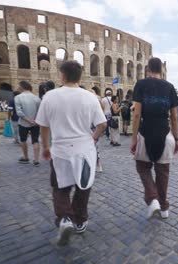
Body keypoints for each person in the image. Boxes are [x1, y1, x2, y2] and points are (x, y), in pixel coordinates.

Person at [36, 60, 107, 246]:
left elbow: (43, 126)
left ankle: (65, 218)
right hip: (84, 148)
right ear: (80, 76)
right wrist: (93, 138)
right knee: (83, 186)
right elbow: (102, 124)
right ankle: (80, 220)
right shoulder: (90, 97)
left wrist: (45, 146)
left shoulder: (50, 96)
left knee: (60, 187)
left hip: (60, 149)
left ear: (63, 75)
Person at [131, 57, 178, 220]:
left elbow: (137, 114)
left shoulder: (141, 85)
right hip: (165, 133)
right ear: (161, 70)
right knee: (163, 172)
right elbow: (174, 116)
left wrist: (133, 138)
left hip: (146, 132)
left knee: (143, 167)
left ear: (147, 69)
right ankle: (164, 208)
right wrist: (177, 139)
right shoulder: (170, 87)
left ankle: (152, 199)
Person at [15, 81, 41, 166]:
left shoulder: (18, 97)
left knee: (23, 140)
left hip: (23, 122)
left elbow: (19, 112)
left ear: (22, 87)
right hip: (35, 123)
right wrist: (34, 120)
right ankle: (36, 159)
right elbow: (40, 112)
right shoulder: (36, 98)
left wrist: (28, 120)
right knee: (35, 140)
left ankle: (25, 157)